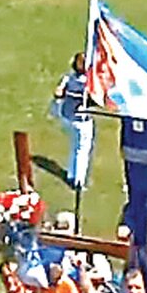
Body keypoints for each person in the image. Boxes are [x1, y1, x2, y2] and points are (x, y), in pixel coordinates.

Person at [50, 52, 93, 190]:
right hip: (81, 120)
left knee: (74, 147)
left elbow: (58, 92)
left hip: (67, 117)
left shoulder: (68, 77)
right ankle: (78, 181)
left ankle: (70, 174)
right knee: (82, 150)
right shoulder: (89, 83)